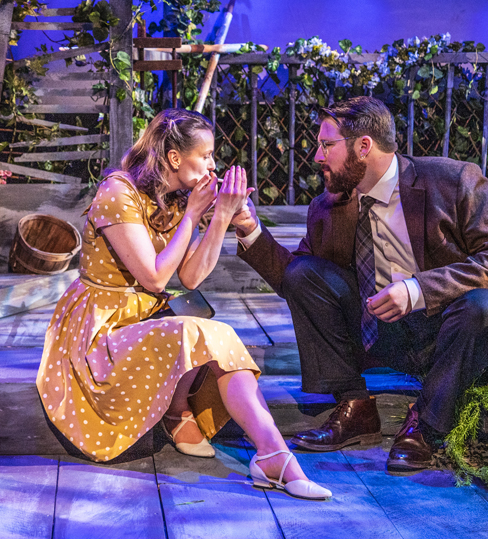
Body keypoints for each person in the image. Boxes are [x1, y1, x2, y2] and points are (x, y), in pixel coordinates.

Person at [37, 108, 331, 500]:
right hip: (101, 330)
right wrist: (196, 212)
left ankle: (272, 454)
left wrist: (221, 218)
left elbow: (191, 276)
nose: (213, 165)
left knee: (211, 329)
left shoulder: (176, 198)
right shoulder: (118, 192)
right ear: (175, 158)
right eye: (206, 155)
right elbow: (155, 277)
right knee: (202, 330)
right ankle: (196, 421)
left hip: (145, 315)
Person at [232, 96, 488, 470]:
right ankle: (355, 405)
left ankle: (426, 427)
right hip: (386, 335)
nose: (317, 157)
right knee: (305, 273)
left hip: (461, 334)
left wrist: (419, 289)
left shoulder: (453, 181)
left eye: (326, 145)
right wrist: (250, 231)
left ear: (363, 146)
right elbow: (297, 281)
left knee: (483, 306)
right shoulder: (328, 208)